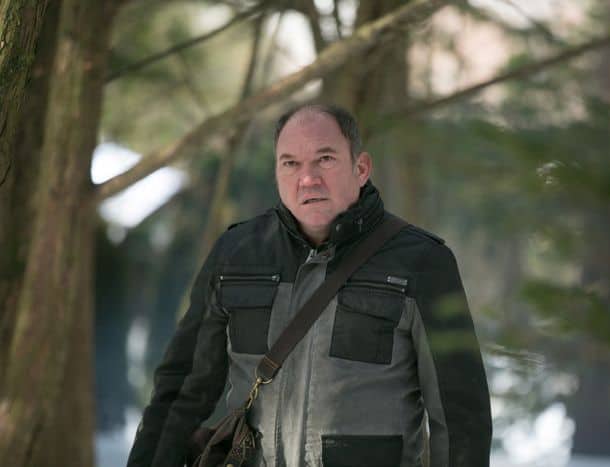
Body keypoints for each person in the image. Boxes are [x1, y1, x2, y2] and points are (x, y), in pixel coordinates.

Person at [126, 104, 492, 467]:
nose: (308, 179)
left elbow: (460, 417)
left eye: (325, 159)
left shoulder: (422, 261)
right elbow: (180, 392)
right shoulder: (236, 254)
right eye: (291, 163)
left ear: (361, 168)